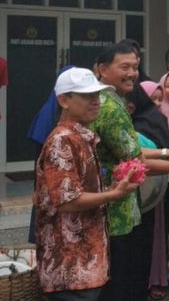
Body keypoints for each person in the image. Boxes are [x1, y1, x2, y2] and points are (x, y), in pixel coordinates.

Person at [91, 42, 169, 301]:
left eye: (135, 67)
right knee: (123, 282)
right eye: (124, 67)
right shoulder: (110, 108)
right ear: (102, 69)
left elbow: (132, 150)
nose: (132, 73)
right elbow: (135, 159)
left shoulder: (111, 101)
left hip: (119, 206)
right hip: (115, 210)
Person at [34, 67, 141, 300]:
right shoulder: (62, 140)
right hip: (71, 267)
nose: (96, 101)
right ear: (63, 100)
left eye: (96, 95)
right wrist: (113, 194)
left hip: (87, 262)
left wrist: (111, 190)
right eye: (86, 96)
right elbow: (67, 202)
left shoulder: (82, 136)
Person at [126, 82, 169, 300]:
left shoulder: (151, 120)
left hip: (150, 194)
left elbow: (142, 157)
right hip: (131, 197)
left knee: (144, 245)